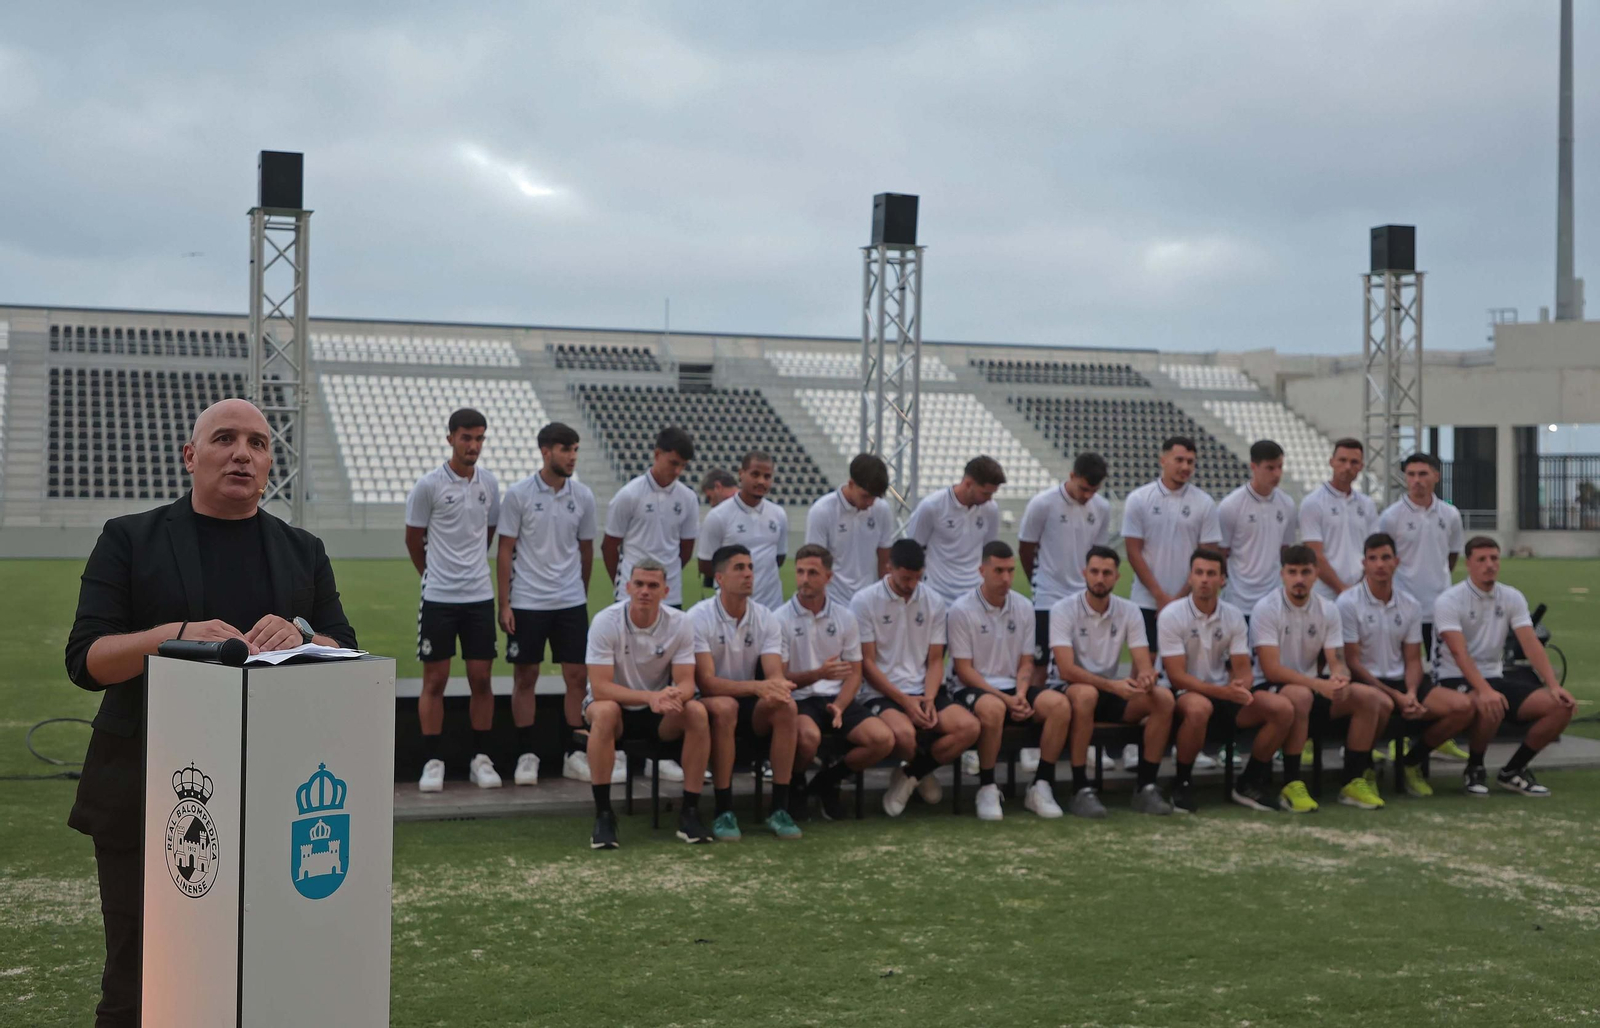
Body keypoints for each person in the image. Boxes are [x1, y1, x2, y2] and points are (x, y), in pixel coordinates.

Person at [65, 398, 357, 1028]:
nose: (243, 453)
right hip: (148, 794)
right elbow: (88, 660)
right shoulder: (130, 538)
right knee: (140, 978)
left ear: (270, 462)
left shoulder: (303, 549)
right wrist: (173, 635)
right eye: (225, 439)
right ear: (191, 456)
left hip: (270, 797)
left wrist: (304, 631)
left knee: (259, 974)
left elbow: (343, 643)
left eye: (257, 442)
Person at [495, 422, 598, 787]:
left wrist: (579, 594)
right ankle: (527, 754)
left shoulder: (583, 496)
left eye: (575, 449)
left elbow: (586, 551)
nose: (572, 456)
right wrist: (505, 604)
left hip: (570, 602)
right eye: (565, 449)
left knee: (578, 678)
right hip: (527, 602)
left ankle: (575, 754)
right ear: (546, 451)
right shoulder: (519, 494)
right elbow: (505, 550)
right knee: (526, 677)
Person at [1250, 544, 1390, 812]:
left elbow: (1336, 659)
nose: (1299, 579)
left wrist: (1340, 678)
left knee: (1369, 698)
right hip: (1271, 688)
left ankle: (1353, 781)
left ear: (1316, 574)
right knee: (1301, 696)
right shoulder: (1266, 608)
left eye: (1306, 572)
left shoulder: (1328, 609)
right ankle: (1291, 782)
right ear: (1282, 574)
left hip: (1313, 687)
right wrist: (1318, 684)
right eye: (1293, 572)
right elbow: (1271, 669)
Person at [1433, 536, 1576, 797]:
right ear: (1468, 564)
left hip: (1494, 676)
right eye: (1482, 559)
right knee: (1491, 702)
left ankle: (1513, 771)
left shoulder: (1511, 596)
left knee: (1562, 706)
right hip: (1454, 678)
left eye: (1494, 558)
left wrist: (1554, 686)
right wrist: (1484, 690)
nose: (1489, 565)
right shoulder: (1450, 599)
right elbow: (1458, 652)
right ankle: (1475, 768)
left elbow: (1531, 643)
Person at [583, 559, 711, 848]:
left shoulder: (680, 623)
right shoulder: (606, 621)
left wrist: (673, 696)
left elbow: (688, 682)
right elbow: (601, 687)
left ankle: (689, 812)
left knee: (697, 712)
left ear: (665, 591)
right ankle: (603, 815)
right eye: (639, 584)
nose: (645, 591)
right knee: (604, 712)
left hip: (660, 711)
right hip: (616, 707)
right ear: (627, 587)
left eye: (653, 586)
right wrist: (650, 697)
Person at [405, 408, 502, 792]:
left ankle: (481, 758)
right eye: (466, 438)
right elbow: (414, 540)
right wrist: (434, 575)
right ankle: (432, 760)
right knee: (436, 680)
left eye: (479, 438)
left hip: (480, 596)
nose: (473, 445)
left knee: (482, 679)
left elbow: (488, 532)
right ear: (450, 438)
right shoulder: (428, 486)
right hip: (440, 598)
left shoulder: (490, 483)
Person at [1337, 532, 1475, 798]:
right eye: (1373, 558)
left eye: (1386, 558)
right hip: (1365, 681)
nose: (1380, 564)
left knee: (1464, 707)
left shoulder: (1410, 604)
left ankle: (1412, 762)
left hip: (1402, 682)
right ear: (1363, 563)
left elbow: (1413, 658)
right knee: (1380, 703)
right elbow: (1352, 662)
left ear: (1396, 562)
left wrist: (1410, 693)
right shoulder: (1347, 603)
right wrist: (1396, 697)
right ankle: (1363, 769)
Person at [1157, 549, 1293, 813]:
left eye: (1211, 574)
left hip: (1224, 694)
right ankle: (1182, 782)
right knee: (1199, 708)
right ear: (1190, 578)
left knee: (1282, 708)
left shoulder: (1233, 616)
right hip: (1183, 694)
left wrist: (1240, 687)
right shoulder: (1172, 614)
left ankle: (1248, 782)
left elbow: (1243, 669)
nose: (1204, 579)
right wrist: (1223, 692)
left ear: (1223, 580)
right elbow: (1176, 676)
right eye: (1199, 573)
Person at [854, 539, 982, 818]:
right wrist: (905, 701)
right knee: (904, 734)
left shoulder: (934, 601)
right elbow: (867, 663)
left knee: (969, 728)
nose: (912, 584)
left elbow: (936, 659)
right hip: (881, 692)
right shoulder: (864, 601)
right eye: (905, 578)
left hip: (922, 688)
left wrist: (929, 698)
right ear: (889, 568)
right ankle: (920, 772)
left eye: (917, 578)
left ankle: (911, 774)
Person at [602, 426, 699, 781]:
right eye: (672, 462)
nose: (676, 470)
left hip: (668, 596)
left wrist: (665, 584)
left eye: (682, 466)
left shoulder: (687, 499)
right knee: (622, 668)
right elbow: (610, 546)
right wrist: (629, 585)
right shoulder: (628, 495)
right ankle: (623, 750)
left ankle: (663, 753)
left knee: (669, 671)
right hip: (632, 593)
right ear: (657, 454)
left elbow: (685, 548)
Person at [947, 541, 1071, 819]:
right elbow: (964, 670)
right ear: (982, 570)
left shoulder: (1024, 606)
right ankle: (988, 787)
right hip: (971, 688)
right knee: (993, 709)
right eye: (998, 571)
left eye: (1010, 571)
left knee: (1059, 705)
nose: (1005, 578)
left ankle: (1041, 784)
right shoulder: (961, 610)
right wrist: (1007, 699)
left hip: (1014, 688)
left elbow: (1027, 662)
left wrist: (1021, 693)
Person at [689, 545, 804, 840]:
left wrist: (777, 688)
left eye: (750, 567)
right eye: (739, 568)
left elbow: (774, 673)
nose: (749, 574)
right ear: (720, 578)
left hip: (749, 703)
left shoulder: (765, 617)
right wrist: (758, 686)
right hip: (711, 702)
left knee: (786, 707)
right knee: (726, 707)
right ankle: (724, 809)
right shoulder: (698, 617)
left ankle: (780, 807)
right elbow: (706, 682)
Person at [1051, 545, 1175, 818]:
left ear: (1117, 577)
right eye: (1094, 571)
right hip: (1072, 690)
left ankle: (1146, 786)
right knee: (1086, 695)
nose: (1100, 578)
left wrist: (1146, 677)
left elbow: (1142, 660)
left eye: (1107, 573)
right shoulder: (1063, 609)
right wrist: (1112, 686)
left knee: (1163, 698)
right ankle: (1080, 789)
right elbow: (1066, 669)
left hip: (1111, 689)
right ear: (1084, 573)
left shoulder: (1129, 611)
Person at [777, 545, 895, 822]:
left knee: (883, 740)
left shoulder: (845, 617)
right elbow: (780, 677)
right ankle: (795, 786)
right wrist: (819, 673)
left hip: (836, 699)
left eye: (813, 573)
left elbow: (855, 672)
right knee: (808, 738)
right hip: (800, 699)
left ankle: (827, 781)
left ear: (828, 577)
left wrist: (840, 706)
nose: (805, 579)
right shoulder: (779, 618)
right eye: (801, 572)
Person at [1017, 451, 1111, 692]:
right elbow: (1026, 548)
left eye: (1094, 490)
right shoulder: (1043, 503)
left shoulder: (1101, 508)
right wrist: (1038, 581)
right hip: (1049, 594)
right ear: (1072, 476)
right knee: (1040, 661)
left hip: (1082, 596)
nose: (1088, 496)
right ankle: (1034, 711)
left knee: (1080, 661)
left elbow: (1097, 555)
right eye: (1083, 489)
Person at [1123, 436, 1224, 647]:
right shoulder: (1139, 499)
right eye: (1179, 460)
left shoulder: (1204, 503)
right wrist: (1159, 596)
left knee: (1185, 665)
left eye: (1190, 462)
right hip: (1146, 599)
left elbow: (1208, 558)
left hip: (1189, 601)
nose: (1185, 466)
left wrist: (1178, 599)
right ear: (1163, 460)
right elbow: (1133, 552)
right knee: (1144, 664)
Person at [1378, 452, 1463, 662]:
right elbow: (1383, 560)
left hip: (1439, 604)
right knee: (1402, 664)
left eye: (1423, 474)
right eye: (1411, 474)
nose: (1417, 480)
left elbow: (1452, 555)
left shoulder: (1451, 515)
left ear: (1436, 476)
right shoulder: (1391, 517)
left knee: (1441, 664)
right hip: (1402, 603)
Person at [696, 450, 788, 611]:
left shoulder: (778, 514)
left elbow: (779, 558)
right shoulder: (718, 516)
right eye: (755, 474)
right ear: (741, 474)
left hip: (771, 607)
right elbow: (705, 564)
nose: (761, 481)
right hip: (732, 608)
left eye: (767, 477)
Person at [1216, 439, 1299, 619]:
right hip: (1238, 599)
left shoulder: (1288, 505)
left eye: (1280, 467)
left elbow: (1284, 548)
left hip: (1273, 599)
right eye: (1270, 468)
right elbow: (1222, 551)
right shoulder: (1231, 505)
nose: (1277, 473)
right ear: (1254, 467)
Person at [904, 455, 1004, 602]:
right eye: (986, 493)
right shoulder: (932, 506)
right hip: (937, 594)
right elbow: (913, 548)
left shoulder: (991, 509)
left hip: (974, 595)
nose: (990, 498)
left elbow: (989, 552)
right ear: (968, 484)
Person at [804, 453, 895, 605]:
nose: (870, 503)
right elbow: (814, 562)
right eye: (865, 496)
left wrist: (885, 599)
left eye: (875, 497)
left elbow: (884, 559)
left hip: (868, 602)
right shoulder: (822, 511)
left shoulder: (882, 510)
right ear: (851, 484)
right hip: (833, 601)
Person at [1300, 438, 1377, 599]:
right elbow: (1315, 554)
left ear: (1361, 467)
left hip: (1360, 593)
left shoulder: (1367, 505)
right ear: (1331, 462)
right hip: (1324, 594)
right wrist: (1341, 588)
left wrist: (1360, 586)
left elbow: (1373, 551)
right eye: (1342, 460)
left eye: (1354, 462)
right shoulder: (1313, 503)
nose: (1348, 467)